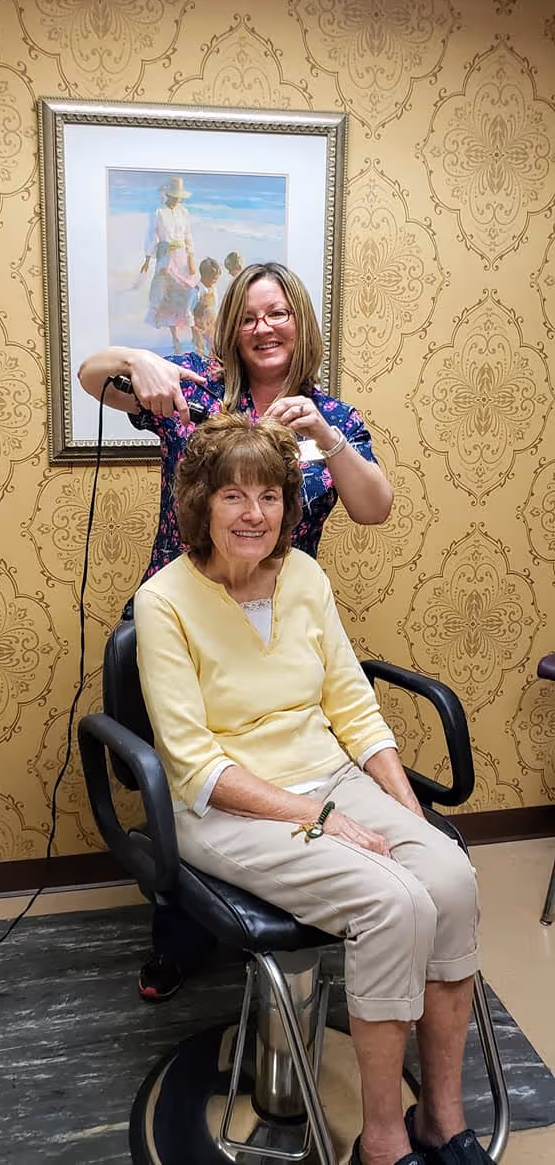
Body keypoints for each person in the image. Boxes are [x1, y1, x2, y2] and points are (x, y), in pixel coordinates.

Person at [133, 413, 491, 1165]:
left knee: (451, 879)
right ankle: (385, 1144)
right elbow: (196, 767)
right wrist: (319, 820)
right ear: (198, 504)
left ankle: (443, 1122)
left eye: (268, 496)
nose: (254, 513)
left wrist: (404, 808)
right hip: (228, 804)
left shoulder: (304, 574)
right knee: (390, 903)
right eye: (232, 496)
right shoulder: (164, 603)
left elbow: (353, 708)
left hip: (326, 775)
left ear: (288, 506)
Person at [78, 261, 394, 1001]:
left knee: (280, 769)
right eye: (249, 316)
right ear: (231, 330)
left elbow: (377, 507)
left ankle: (303, 895)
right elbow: (93, 376)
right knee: (189, 781)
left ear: (300, 323)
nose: (264, 328)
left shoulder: (330, 418)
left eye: (278, 313)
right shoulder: (190, 392)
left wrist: (325, 436)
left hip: (276, 629)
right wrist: (135, 359)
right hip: (181, 620)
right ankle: (180, 940)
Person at [142, 176, 197, 354]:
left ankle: (193, 336)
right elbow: (152, 236)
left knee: (186, 292)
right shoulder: (158, 212)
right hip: (166, 256)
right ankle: (175, 339)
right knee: (166, 294)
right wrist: (147, 258)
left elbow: (188, 237)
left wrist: (191, 259)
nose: (177, 199)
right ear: (167, 195)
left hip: (181, 257)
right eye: (174, 195)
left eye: (179, 196)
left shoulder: (184, 212)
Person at [191, 256, 221, 356]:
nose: (215, 281)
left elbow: (215, 305)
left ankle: (212, 362)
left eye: (216, 278)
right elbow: (189, 309)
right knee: (199, 346)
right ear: (204, 276)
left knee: (214, 344)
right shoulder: (197, 290)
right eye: (213, 279)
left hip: (211, 320)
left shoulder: (214, 289)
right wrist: (192, 324)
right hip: (199, 322)